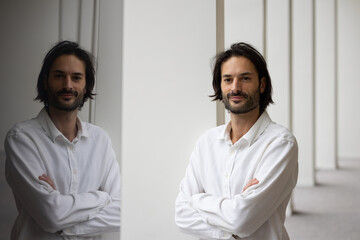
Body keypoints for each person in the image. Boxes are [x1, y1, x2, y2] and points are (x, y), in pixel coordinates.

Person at [175, 42, 298, 240]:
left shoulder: (281, 143)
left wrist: (197, 200)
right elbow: (181, 214)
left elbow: (241, 219)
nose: (235, 88)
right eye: (228, 79)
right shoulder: (206, 142)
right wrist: (231, 228)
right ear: (220, 86)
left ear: (262, 84)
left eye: (245, 78)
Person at [5, 41, 121, 239]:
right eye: (59, 76)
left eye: (76, 77)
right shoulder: (22, 138)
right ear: (45, 81)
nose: (68, 85)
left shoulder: (100, 140)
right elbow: (52, 215)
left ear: (87, 85)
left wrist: (64, 222)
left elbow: (122, 210)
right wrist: (102, 197)